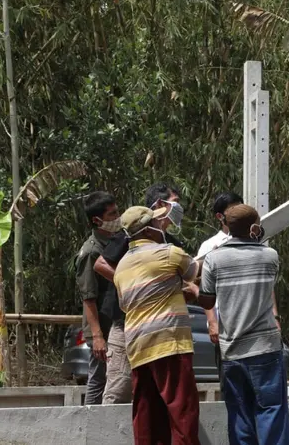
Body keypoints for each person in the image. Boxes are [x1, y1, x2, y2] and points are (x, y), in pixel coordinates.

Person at [196, 204, 289, 445]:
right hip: (266, 348)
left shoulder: (213, 259)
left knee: (240, 414)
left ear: (227, 227)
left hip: (232, 351)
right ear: (254, 228)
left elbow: (207, 300)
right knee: (271, 410)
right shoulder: (270, 256)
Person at [114, 205, 201, 445]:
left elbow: (128, 303)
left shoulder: (120, 267)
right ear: (149, 230)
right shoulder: (168, 253)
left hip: (138, 347)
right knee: (182, 411)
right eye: (156, 222)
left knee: (147, 415)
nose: (161, 224)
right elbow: (194, 271)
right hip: (168, 343)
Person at [94, 182, 185, 405]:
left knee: (155, 392)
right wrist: (131, 282)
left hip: (161, 326)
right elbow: (101, 264)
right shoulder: (129, 235)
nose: (179, 208)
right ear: (161, 205)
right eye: (175, 202)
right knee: (119, 387)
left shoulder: (172, 244)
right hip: (125, 323)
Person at [196, 191, 244, 394]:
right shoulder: (209, 247)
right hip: (224, 325)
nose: (238, 214)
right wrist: (213, 321)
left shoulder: (253, 241)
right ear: (220, 217)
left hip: (250, 322)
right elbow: (203, 287)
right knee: (231, 384)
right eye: (233, 210)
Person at [75, 191, 120, 404]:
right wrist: (97, 336)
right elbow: (88, 298)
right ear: (97, 220)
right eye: (113, 214)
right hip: (101, 327)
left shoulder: (116, 243)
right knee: (98, 379)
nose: (117, 218)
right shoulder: (91, 252)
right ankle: (90, 424)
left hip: (116, 323)